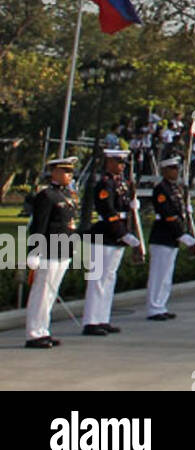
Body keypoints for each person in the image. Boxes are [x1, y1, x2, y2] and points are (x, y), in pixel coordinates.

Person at [83, 148, 140, 335]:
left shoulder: (120, 183)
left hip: (115, 236)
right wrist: (123, 233)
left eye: (123, 162)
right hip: (104, 234)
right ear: (109, 162)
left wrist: (131, 206)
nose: (122, 166)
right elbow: (108, 212)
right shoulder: (104, 184)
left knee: (109, 279)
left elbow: (122, 208)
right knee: (97, 279)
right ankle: (91, 321)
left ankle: (103, 318)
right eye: (119, 162)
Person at [25, 157, 79, 348]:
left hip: (63, 251)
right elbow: (39, 226)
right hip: (48, 251)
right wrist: (34, 252)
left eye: (70, 172)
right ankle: (33, 333)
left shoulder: (67, 196)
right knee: (41, 292)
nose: (69, 175)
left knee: (50, 293)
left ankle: (43, 330)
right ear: (54, 172)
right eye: (65, 171)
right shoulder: (46, 196)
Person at [147, 157, 194, 320]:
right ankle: (154, 307)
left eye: (177, 169)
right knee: (158, 275)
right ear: (165, 171)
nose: (176, 172)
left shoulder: (175, 189)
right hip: (163, 235)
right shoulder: (161, 189)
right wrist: (181, 234)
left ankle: (161, 305)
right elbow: (168, 214)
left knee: (166, 275)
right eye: (173, 169)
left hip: (171, 237)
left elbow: (179, 213)